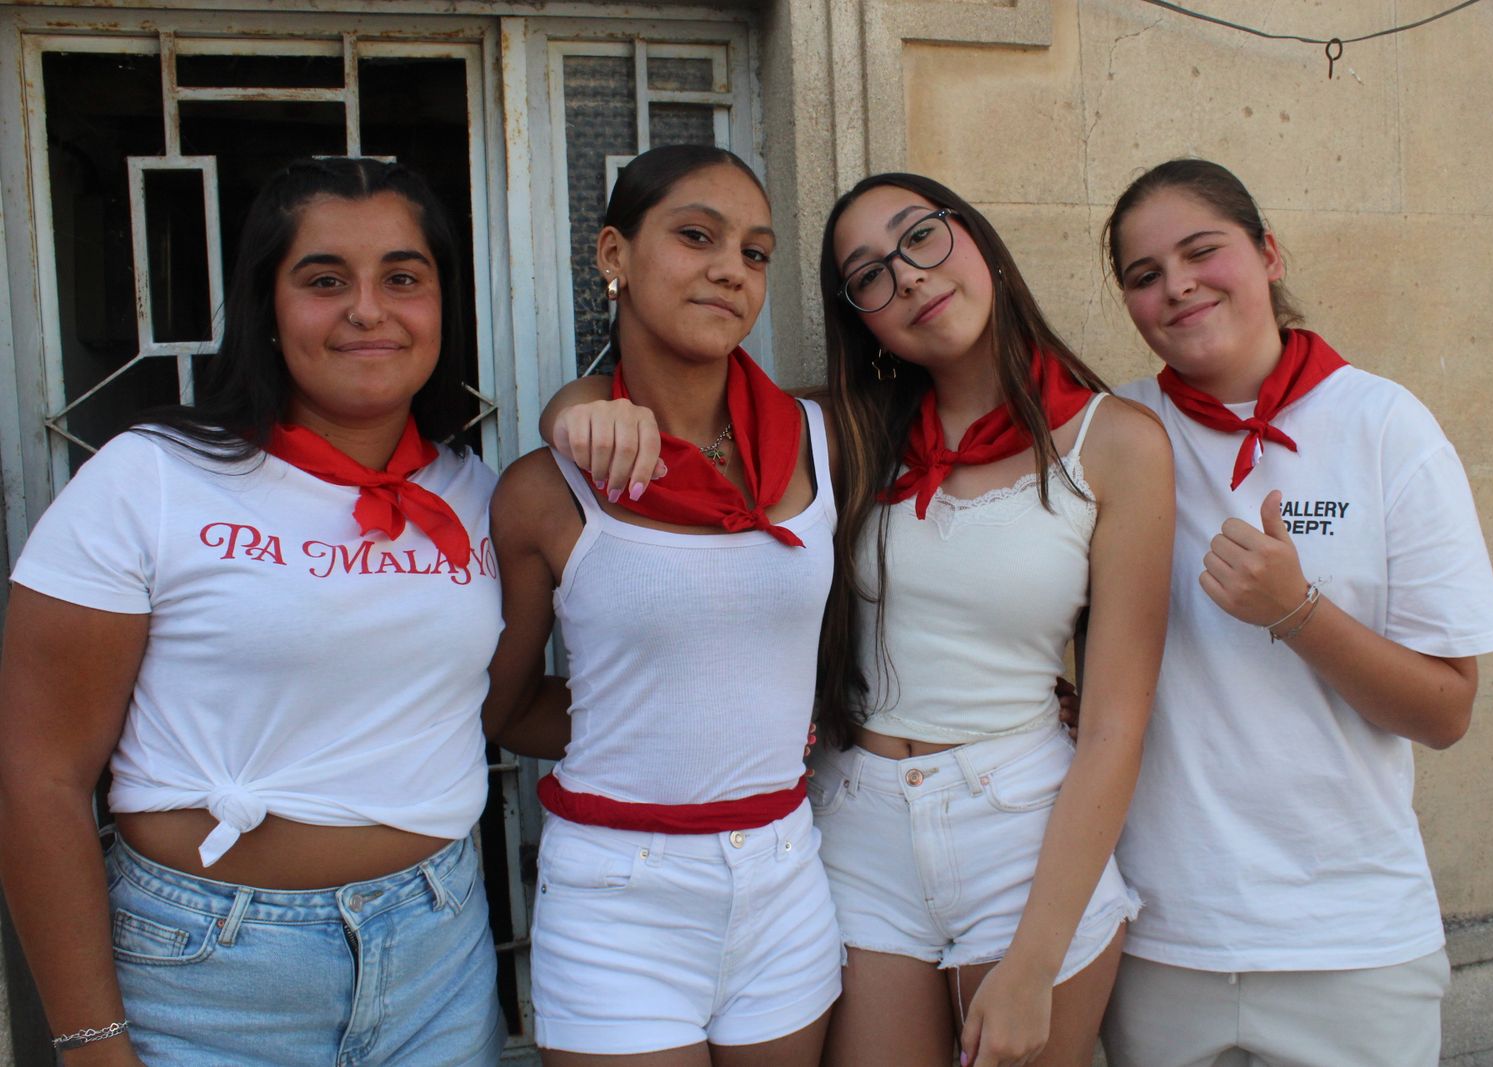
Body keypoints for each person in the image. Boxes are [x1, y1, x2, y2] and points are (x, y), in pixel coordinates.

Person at [545, 171, 1175, 1067]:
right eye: (870, 274)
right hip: (853, 825)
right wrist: (575, 407)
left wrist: (1036, 959)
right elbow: (683, 413)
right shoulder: (839, 434)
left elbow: (1116, 720)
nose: (908, 277)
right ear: (861, 316)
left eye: (921, 237)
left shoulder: (1114, 441)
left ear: (979, 239)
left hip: (1023, 824)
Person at [0, 157, 506, 1066]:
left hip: (438, 956)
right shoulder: (149, 476)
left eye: (403, 277)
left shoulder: (474, 491)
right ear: (268, 308)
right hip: (205, 975)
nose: (367, 309)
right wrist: (89, 1042)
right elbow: (36, 775)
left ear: (441, 306)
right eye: (323, 280)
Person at [1096, 158, 1493, 1067]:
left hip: (1352, 945)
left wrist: (1297, 612)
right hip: (1163, 938)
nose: (1178, 286)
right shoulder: (1113, 434)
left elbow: (1445, 711)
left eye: (1202, 251)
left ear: (1269, 253)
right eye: (1143, 275)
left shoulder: (1385, 425)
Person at [483, 143, 842, 1066]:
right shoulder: (547, 487)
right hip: (618, 893)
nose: (731, 267)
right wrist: (654, 733)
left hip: (785, 872)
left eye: (756, 253)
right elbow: (510, 706)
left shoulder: (820, 439)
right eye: (695, 236)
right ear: (614, 255)